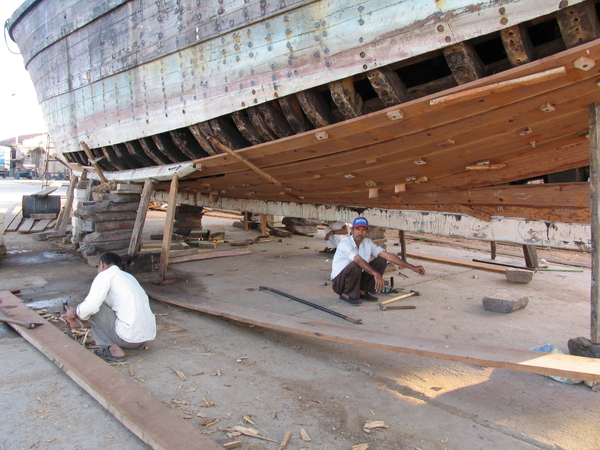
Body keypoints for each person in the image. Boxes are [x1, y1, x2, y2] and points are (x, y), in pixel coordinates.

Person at [65, 252, 156, 362]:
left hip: (128, 339)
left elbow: (90, 307)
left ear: (102, 264)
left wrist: (74, 312)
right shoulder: (128, 277)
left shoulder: (105, 275)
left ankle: (113, 350)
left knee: (93, 308)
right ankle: (118, 339)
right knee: (99, 306)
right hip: (144, 338)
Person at [331, 217, 425, 305]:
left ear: (367, 231)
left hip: (355, 278)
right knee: (356, 264)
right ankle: (346, 294)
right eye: (357, 229)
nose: (360, 232)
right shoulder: (345, 243)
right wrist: (376, 274)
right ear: (352, 230)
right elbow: (359, 260)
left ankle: (362, 291)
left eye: (363, 230)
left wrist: (412, 267)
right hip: (339, 283)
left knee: (381, 260)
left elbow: (387, 256)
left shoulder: (367, 242)